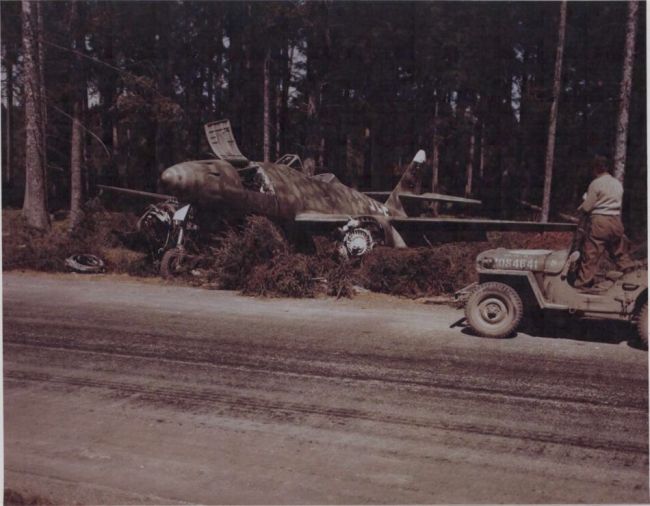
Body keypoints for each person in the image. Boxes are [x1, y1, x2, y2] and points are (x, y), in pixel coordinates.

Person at [573, 156, 634, 289]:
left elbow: (587, 207)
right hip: (616, 222)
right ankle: (632, 277)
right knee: (620, 252)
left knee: (591, 254)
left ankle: (581, 284)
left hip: (600, 222)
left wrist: (581, 208)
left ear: (595, 169)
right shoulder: (617, 183)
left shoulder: (596, 183)